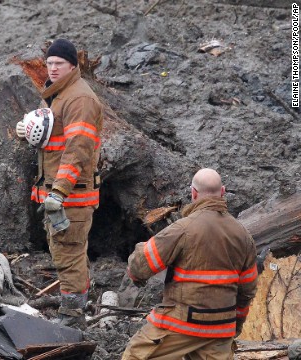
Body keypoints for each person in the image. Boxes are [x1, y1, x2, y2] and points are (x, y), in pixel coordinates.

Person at [122, 168, 258, 360]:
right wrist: (236, 324)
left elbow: (141, 265)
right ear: (223, 192)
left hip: (183, 322)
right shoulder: (243, 235)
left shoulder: (183, 228)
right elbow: (248, 289)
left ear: (193, 193)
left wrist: (134, 272)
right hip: (221, 327)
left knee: (136, 355)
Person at [15, 38, 104, 326]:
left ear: (73, 66)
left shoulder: (79, 99)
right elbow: (52, 137)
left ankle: (73, 316)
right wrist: (27, 130)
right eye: (50, 63)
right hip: (58, 193)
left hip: (70, 196)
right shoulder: (58, 94)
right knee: (65, 252)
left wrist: (59, 192)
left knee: (69, 255)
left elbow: (78, 149)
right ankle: (75, 308)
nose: (52, 68)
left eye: (59, 64)